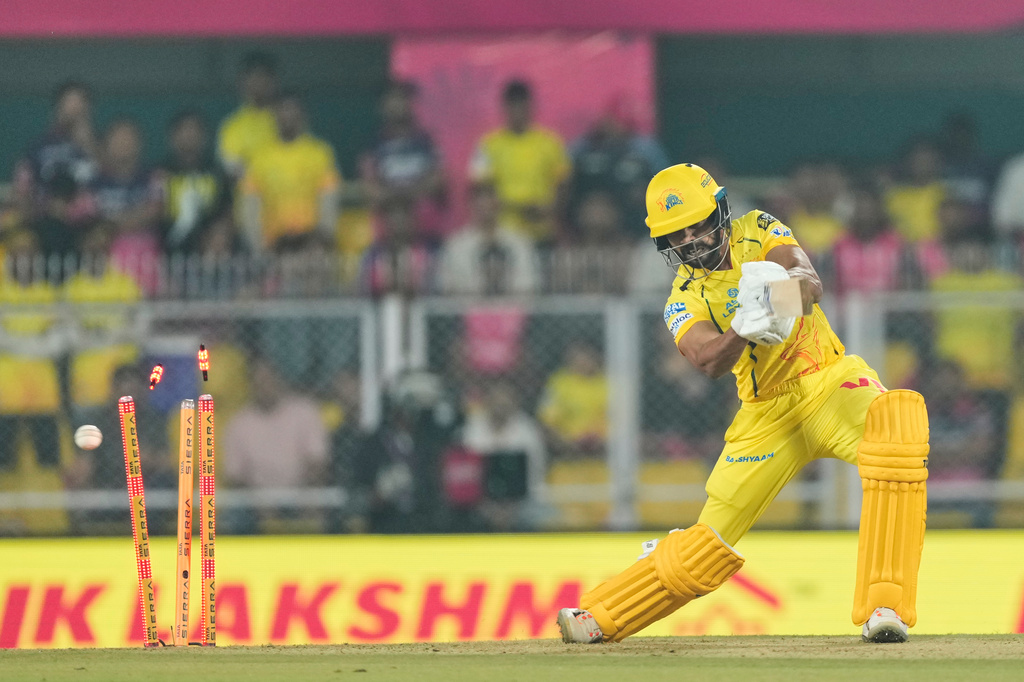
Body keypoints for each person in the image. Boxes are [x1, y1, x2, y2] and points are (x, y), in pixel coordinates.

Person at [557, 163, 930, 645]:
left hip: (829, 380)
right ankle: (601, 617)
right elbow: (706, 361)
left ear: (721, 210)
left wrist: (774, 300)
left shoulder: (758, 229)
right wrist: (742, 329)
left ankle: (886, 607)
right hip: (765, 414)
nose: (692, 240)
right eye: (677, 234)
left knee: (896, 428)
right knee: (708, 543)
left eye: (698, 224)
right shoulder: (681, 297)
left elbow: (810, 284)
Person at [468, 80, 570, 244]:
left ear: (531, 107)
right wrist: (508, 206)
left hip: (541, 229)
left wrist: (550, 208)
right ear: (505, 108)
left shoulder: (550, 142)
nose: (518, 112)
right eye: (513, 106)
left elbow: (563, 184)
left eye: (522, 106)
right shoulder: (489, 144)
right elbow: (480, 186)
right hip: (503, 230)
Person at [241, 92, 342, 253]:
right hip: (274, 246)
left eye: (292, 110)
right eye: (282, 110)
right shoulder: (259, 158)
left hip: (311, 244)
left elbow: (328, 199)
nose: (287, 116)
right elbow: (250, 205)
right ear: (274, 115)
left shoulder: (320, 154)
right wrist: (259, 248)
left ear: (303, 115)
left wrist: (323, 238)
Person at [360, 80, 448, 245]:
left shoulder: (426, 142)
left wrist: (406, 194)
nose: (397, 105)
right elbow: (370, 189)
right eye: (392, 100)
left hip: (427, 231)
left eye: (402, 99)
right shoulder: (374, 145)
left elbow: (438, 179)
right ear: (383, 106)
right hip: (389, 234)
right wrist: (400, 199)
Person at [159, 110, 234, 255]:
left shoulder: (217, 172)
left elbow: (227, 212)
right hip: (167, 251)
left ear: (205, 137)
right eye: (183, 130)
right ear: (172, 137)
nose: (189, 136)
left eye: (194, 130)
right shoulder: (160, 173)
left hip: (210, 253)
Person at [218, 52, 281, 179]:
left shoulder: (286, 120)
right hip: (247, 195)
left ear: (274, 81)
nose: (258, 83)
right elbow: (231, 167)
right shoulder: (232, 125)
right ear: (242, 82)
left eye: (263, 77)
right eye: (253, 77)